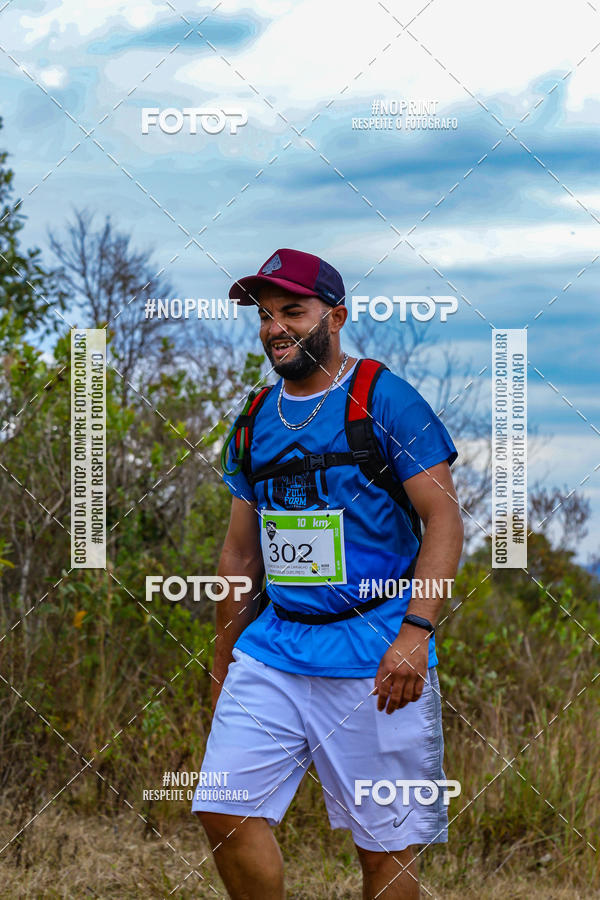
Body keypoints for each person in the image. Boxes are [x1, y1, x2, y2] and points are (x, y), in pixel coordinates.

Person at [193, 248, 464, 899]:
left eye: (292, 311)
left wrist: (416, 633)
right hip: (275, 649)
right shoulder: (255, 417)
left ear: (335, 317)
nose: (275, 328)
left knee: (385, 848)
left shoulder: (384, 399)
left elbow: (444, 519)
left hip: (376, 654)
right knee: (223, 807)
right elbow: (240, 555)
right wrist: (223, 663)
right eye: (265, 315)